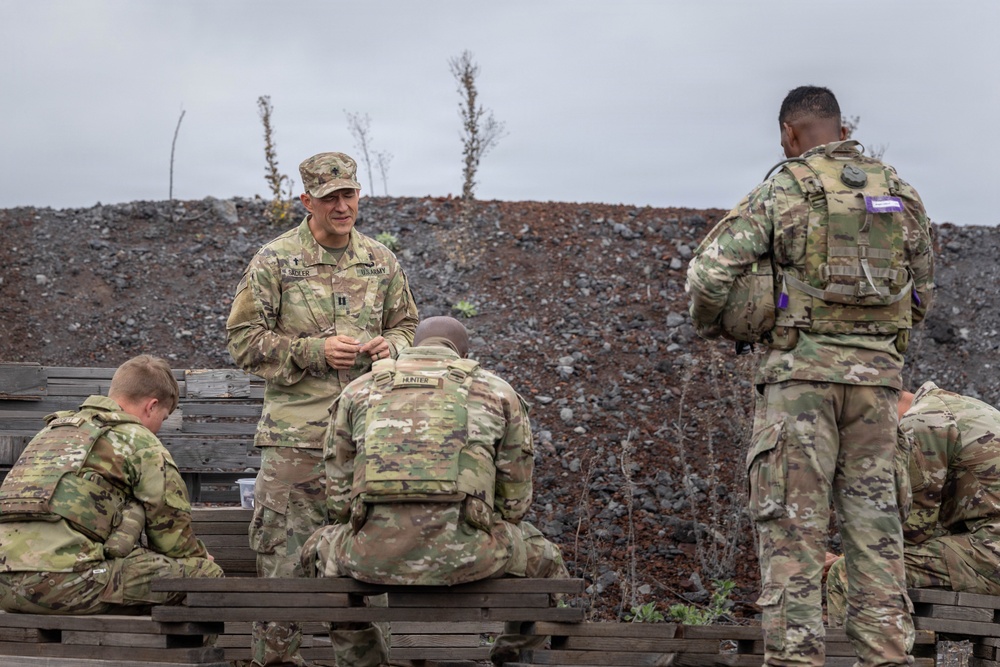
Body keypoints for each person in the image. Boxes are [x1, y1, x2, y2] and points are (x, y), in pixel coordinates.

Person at [686, 86, 935, 666]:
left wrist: (725, 327)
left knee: (793, 540)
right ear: (842, 126)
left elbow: (709, 274)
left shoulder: (785, 186)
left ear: (789, 133)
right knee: (877, 543)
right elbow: (922, 290)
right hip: (877, 393)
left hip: (800, 388)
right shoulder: (899, 191)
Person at [226, 151, 419, 666]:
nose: (341, 205)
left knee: (361, 571)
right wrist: (311, 351)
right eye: (330, 197)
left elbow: (406, 326)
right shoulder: (274, 260)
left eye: (349, 194)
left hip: (366, 443)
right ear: (307, 200)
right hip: (297, 444)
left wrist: (391, 347)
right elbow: (242, 341)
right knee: (283, 577)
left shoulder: (381, 261)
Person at [300, 316, 569, 667]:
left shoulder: (358, 390)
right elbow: (515, 503)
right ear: (463, 353)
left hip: (369, 557)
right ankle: (510, 657)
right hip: (473, 556)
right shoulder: (497, 392)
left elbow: (337, 501)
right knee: (548, 561)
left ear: (413, 345)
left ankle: (362, 660)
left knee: (315, 554)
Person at [0, 355, 222, 614]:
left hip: (4, 584)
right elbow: (171, 536)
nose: (159, 428)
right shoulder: (140, 442)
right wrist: (198, 558)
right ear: (151, 406)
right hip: (65, 585)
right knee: (206, 576)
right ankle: (175, 655)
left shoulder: (50, 432)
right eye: (163, 418)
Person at [827, 382, 1000, 625]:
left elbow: (915, 530)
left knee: (848, 573)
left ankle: (854, 661)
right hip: (989, 548)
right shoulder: (959, 407)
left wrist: (849, 558)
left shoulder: (921, 422)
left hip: (991, 555)